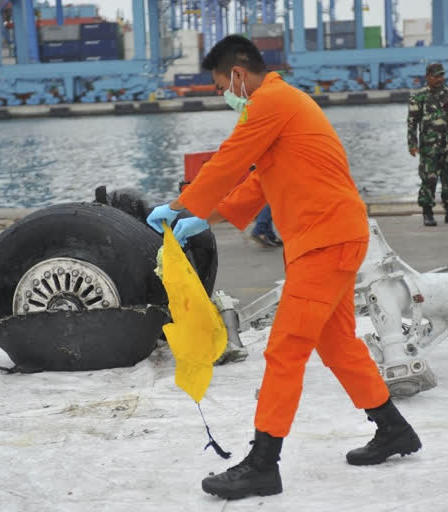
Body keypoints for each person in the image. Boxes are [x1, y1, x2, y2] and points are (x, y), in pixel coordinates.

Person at [146, 35, 421, 500]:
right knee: (337, 346)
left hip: (326, 240)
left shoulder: (270, 102)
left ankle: (262, 463)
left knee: (284, 349)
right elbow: (257, 183)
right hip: (327, 238)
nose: (222, 95)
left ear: (238, 73)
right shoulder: (285, 105)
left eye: (220, 86)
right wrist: (200, 218)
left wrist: (180, 205)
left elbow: (228, 161)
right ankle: (393, 429)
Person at [408, 62, 448, 227]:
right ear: (428, 77)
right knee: (429, 180)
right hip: (429, 148)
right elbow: (412, 123)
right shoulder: (419, 97)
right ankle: (428, 213)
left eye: (441, 75)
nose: (439, 79)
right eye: (436, 76)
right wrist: (412, 144)